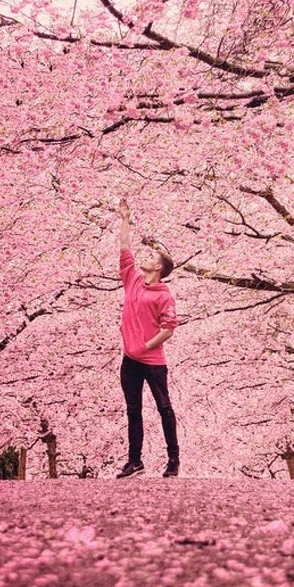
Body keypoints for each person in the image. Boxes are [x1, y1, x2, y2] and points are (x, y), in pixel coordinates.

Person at [116, 197, 180, 478]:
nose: (147, 257)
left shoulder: (163, 295)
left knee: (164, 408)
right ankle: (135, 461)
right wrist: (125, 219)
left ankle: (173, 460)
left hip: (152, 361)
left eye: (152, 257)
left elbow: (169, 327)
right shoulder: (131, 278)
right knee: (133, 410)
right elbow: (125, 248)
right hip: (129, 360)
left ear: (159, 268)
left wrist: (146, 345)